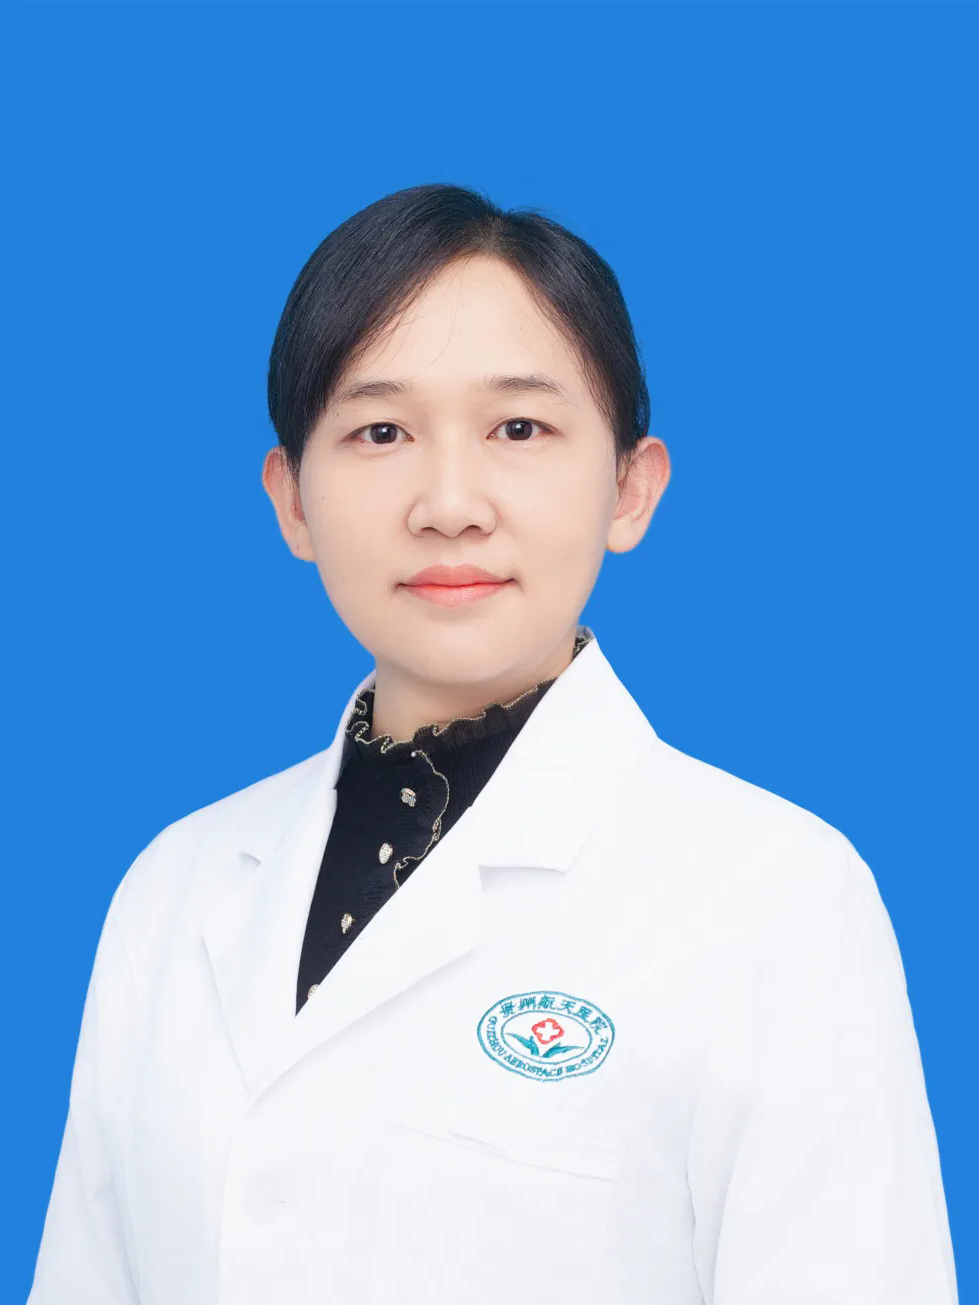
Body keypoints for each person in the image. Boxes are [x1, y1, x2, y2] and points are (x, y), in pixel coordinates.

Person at [29, 183, 958, 1305]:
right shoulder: (175, 886)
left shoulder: (778, 896)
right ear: (292, 502)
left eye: (519, 428)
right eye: (380, 432)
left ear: (630, 489)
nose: (449, 502)